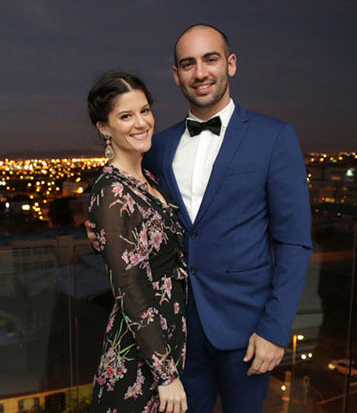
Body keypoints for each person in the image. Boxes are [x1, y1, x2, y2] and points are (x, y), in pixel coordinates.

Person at [87, 24, 312, 413]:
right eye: (188, 64)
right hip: (176, 334)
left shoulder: (275, 137)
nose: (200, 73)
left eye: (210, 59)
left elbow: (293, 242)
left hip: (248, 333)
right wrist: (99, 229)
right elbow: (129, 201)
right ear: (176, 75)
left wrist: (275, 329)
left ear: (231, 64)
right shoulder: (158, 145)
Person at [87, 72, 188, 413]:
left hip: (167, 334)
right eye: (126, 116)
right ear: (104, 128)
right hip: (142, 352)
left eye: (144, 110)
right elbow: (129, 287)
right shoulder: (111, 191)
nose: (141, 122)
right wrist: (165, 374)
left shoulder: (149, 178)